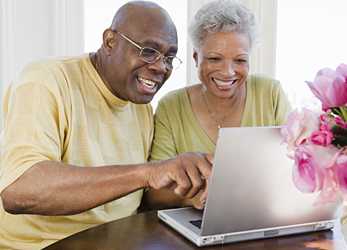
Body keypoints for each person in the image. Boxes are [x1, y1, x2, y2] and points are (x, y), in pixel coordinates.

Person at [0, 1, 212, 249]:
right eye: (147, 51)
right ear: (110, 41)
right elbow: (20, 191)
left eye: (169, 57)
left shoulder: (140, 105)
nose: (160, 66)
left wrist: (196, 191)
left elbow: (138, 193)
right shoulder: (45, 81)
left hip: (119, 240)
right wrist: (148, 172)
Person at [145, 0, 291, 209]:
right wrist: (195, 199)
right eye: (214, 59)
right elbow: (155, 194)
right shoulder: (171, 107)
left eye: (240, 60)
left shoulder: (270, 93)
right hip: (195, 223)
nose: (228, 72)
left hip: (262, 217)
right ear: (196, 58)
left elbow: (294, 166)